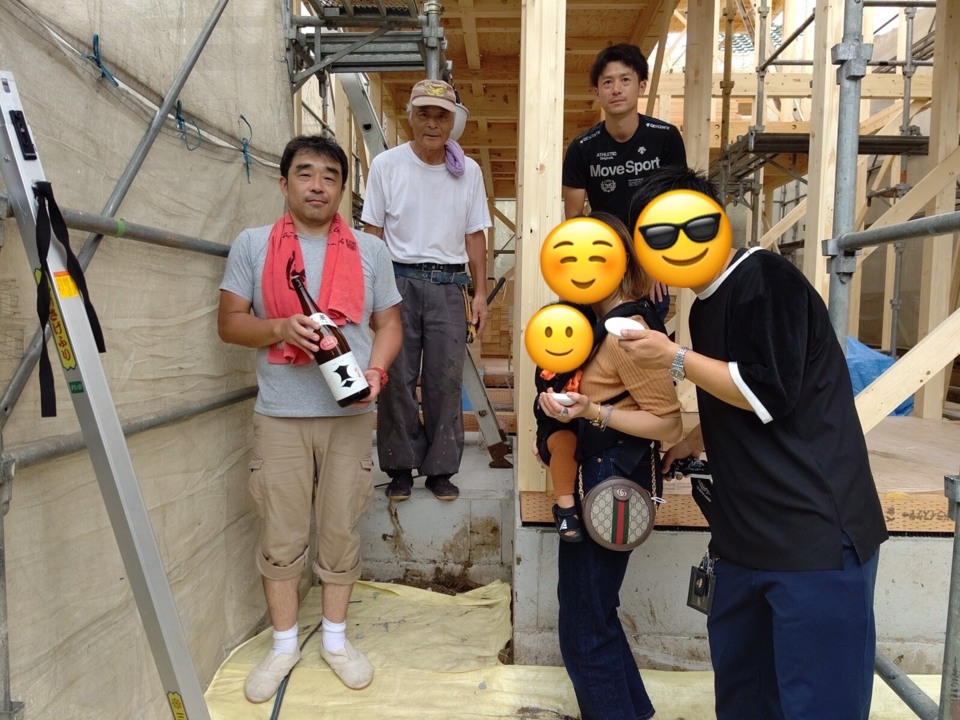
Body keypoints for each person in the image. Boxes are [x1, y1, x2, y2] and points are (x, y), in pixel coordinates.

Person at [619, 166, 889, 720]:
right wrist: (695, 437)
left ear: (718, 220)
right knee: (745, 700)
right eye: (659, 235)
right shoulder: (708, 302)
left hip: (812, 539)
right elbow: (736, 387)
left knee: (819, 706)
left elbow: (770, 388)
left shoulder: (766, 279)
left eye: (692, 226)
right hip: (744, 540)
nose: (678, 245)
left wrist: (673, 358)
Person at [218, 135, 403, 703]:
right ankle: (283, 645)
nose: (317, 185)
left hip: (351, 412)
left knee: (342, 524)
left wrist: (377, 369)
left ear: (343, 189)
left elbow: (389, 324)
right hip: (280, 413)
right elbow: (229, 322)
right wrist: (280, 327)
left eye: (329, 176)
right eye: (305, 173)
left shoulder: (370, 251)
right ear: (284, 183)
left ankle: (335, 640)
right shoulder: (253, 245)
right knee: (281, 529)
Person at [536, 212, 683, 720]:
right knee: (595, 613)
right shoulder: (584, 321)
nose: (582, 267)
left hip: (609, 485)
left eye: (596, 255)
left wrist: (594, 412)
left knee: (583, 625)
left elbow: (669, 423)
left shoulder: (625, 331)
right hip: (593, 480)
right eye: (570, 257)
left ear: (621, 263)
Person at [362, 78, 492, 502]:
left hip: (449, 285)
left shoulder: (468, 171)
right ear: (411, 118)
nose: (432, 123)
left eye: (441, 116)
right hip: (397, 282)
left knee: (445, 380)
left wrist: (481, 294)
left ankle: (440, 470)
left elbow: (475, 236)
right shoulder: (387, 165)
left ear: (453, 122)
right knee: (396, 378)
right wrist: (371, 292)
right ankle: (400, 468)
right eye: (424, 114)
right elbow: (372, 233)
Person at [562, 43, 687, 325]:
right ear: (596, 92)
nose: (616, 89)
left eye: (625, 80)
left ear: (641, 86)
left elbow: (677, 206)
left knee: (644, 332)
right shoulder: (582, 148)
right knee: (595, 335)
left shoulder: (665, 137)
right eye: (607, 82)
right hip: (603, 257)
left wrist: (657, 264)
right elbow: (574, 219)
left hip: (650, 259)